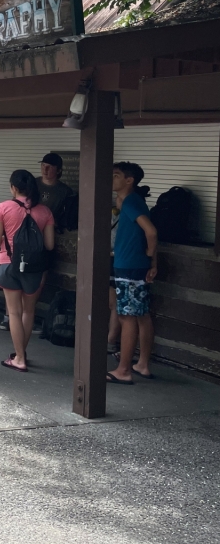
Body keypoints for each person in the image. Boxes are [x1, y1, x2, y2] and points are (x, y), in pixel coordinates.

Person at [0, 170, 56, 373]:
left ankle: (19, 358)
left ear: (13, 187)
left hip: (8, 264)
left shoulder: (3, 208)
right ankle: (21, 353)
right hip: (34, 267)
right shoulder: (45, 211)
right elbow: (49, 244)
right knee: (29, 311)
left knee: (14, 312)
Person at [108, 162, 158, 384]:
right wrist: (151, 260)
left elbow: (151, 231)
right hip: (136, 265)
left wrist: (148, 253)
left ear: (129, 180)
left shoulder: (130, 202)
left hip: (129, 265)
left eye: (116, 175)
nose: (112, 179)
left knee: (126, 317)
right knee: (141, 316)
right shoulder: (134, 201)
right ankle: (142, 364)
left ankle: (124, 370)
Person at [38, 153, 75, 224]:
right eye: (43, 165)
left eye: (50, 167)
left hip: (53, 228)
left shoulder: (65, 191)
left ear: (58, 170)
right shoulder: (32, 183)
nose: (45, 169)